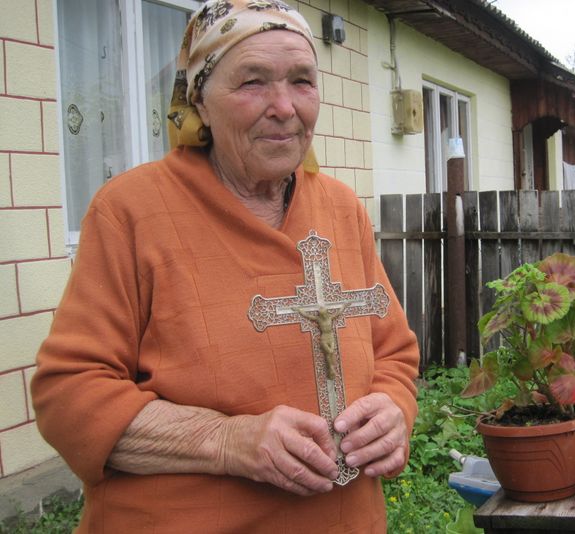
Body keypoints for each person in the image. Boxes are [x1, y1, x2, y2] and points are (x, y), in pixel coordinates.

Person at [31, 1, 420, 532]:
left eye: (302, 81)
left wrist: (394, 408)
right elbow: (70, 395)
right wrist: (225, 441)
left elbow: (392, 352)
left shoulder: (340, 207)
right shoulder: (131, 211)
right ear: (200, 101)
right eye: (252, 82)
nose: (284, 106)